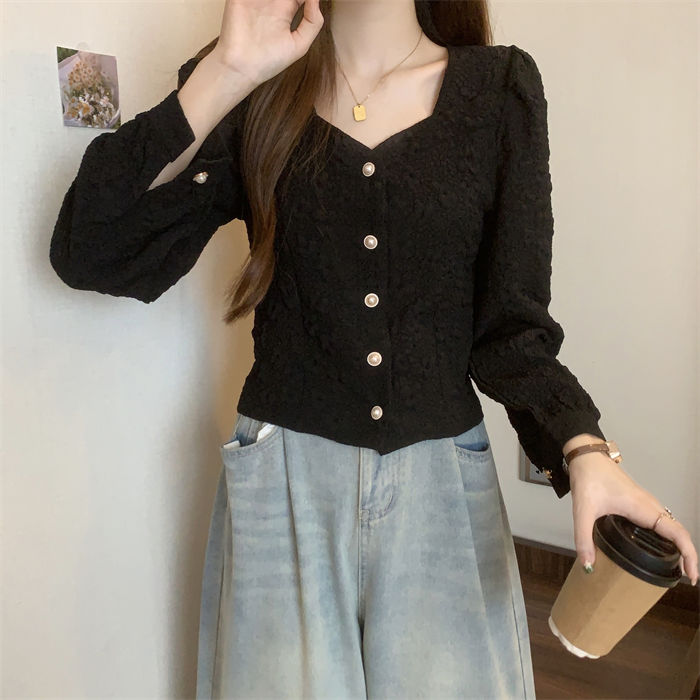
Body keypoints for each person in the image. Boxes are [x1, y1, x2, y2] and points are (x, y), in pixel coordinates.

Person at [49, 0, 698, 697]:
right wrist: (227, 72)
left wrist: (584, 448)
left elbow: (513, 331)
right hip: (282, 483)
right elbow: (90, 250)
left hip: (442, 488)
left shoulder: (499, 91)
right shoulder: (253, 83)